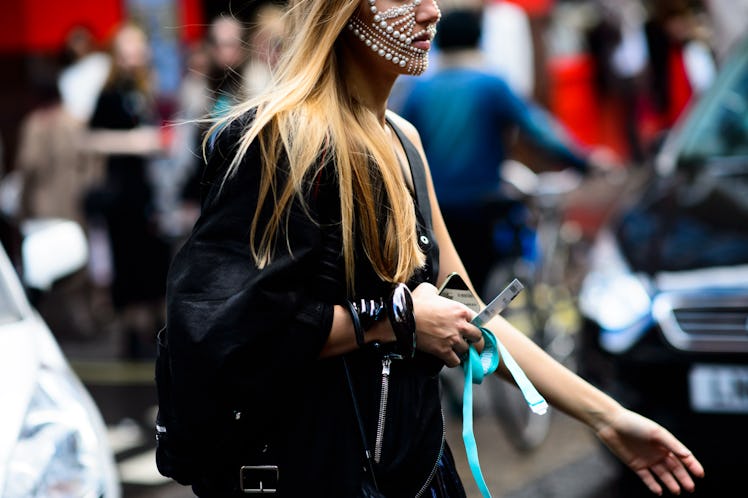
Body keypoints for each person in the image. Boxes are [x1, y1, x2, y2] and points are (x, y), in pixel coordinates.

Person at [159, 1, 704, 497]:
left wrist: (608, 417)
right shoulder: (285, 139)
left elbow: (470, 311)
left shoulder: (404, 138)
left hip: (414, 470)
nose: (431, 12)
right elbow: (228, 332)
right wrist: (394, 318)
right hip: (321, 474)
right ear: (342, 13)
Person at [401, 8, 615, 299]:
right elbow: (539, 130)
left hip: (434, 208)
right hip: (483, 205)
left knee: (449, 285)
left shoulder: (419, 89)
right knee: (479, 288)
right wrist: (585, 160)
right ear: (479, 40)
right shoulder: (491, 84)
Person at [83, 22, 170, 357]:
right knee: (128, 263)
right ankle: (132, 336)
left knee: (153, 261)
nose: (135, 56)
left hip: (150, 192)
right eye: (128, 49)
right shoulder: (110, 93)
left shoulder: (148, 89)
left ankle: (151, 332)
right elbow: (90, 138)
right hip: (122, 194)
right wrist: (135, 143)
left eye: (139, 48)